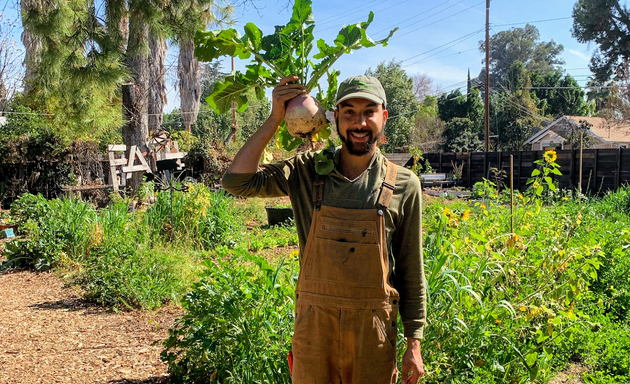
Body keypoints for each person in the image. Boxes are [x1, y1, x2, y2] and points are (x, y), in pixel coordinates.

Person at [222, 74, 427, 384]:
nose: (359, 122)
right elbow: (236, 182)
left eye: (369, 111)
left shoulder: (402, 184)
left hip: (373, 334)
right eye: (349, 112)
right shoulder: (306, 171)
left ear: (383, 117)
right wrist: (276, 117)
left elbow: (411, 270)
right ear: (335, 118)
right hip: (315, 331)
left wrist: (415, 343)